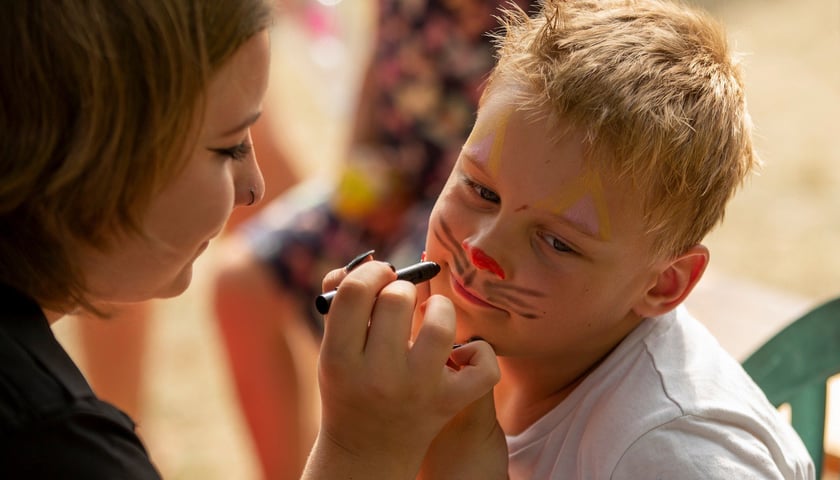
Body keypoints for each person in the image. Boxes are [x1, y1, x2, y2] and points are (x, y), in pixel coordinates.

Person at [0, 1, 499, 478]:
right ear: (102, 154)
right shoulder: (58, 450)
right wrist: (358, 451)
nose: (255, 187)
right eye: (230, 146)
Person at [386, 0, 816, 477]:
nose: (482, 249)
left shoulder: (673, 457)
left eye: (556, 242)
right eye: (482, 191)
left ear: (663, 285)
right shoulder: (502, 353)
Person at [212, 0, 536, 477]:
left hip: (468, 217)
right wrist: (360, 166)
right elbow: (373, 84)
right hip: (385, 188)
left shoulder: (545, 18)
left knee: (412, 323)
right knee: (238, 281)